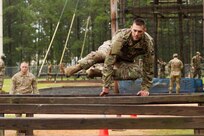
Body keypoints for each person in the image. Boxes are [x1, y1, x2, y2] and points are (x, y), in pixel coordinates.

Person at [65, 18, 154, 96]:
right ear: (131, 28)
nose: (136, 34)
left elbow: (148, 66)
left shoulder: (148, 43)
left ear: (144, 30)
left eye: (139, 31)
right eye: (134, 30)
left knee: (137, 73)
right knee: (99, 56)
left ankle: (96, 71)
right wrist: (106, 86)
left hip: (125, 60)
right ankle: (76, 68)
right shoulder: (121, 37)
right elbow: (110, 60)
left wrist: (145, 89)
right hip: (109, 49)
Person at [10, 62, 38, 136]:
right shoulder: (15, 77)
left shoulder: (32, 76)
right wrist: (11, 98)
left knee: (29, 116)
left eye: (26, 67)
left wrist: (37, 98)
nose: (24, 68)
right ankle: (19, 132)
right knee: (18, 116)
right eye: (23, 67)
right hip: (18, 98)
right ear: (20, 67)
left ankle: (29, 131)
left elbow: (35, 88)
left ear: (28, 67)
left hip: (28, 98)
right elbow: (12, 89)